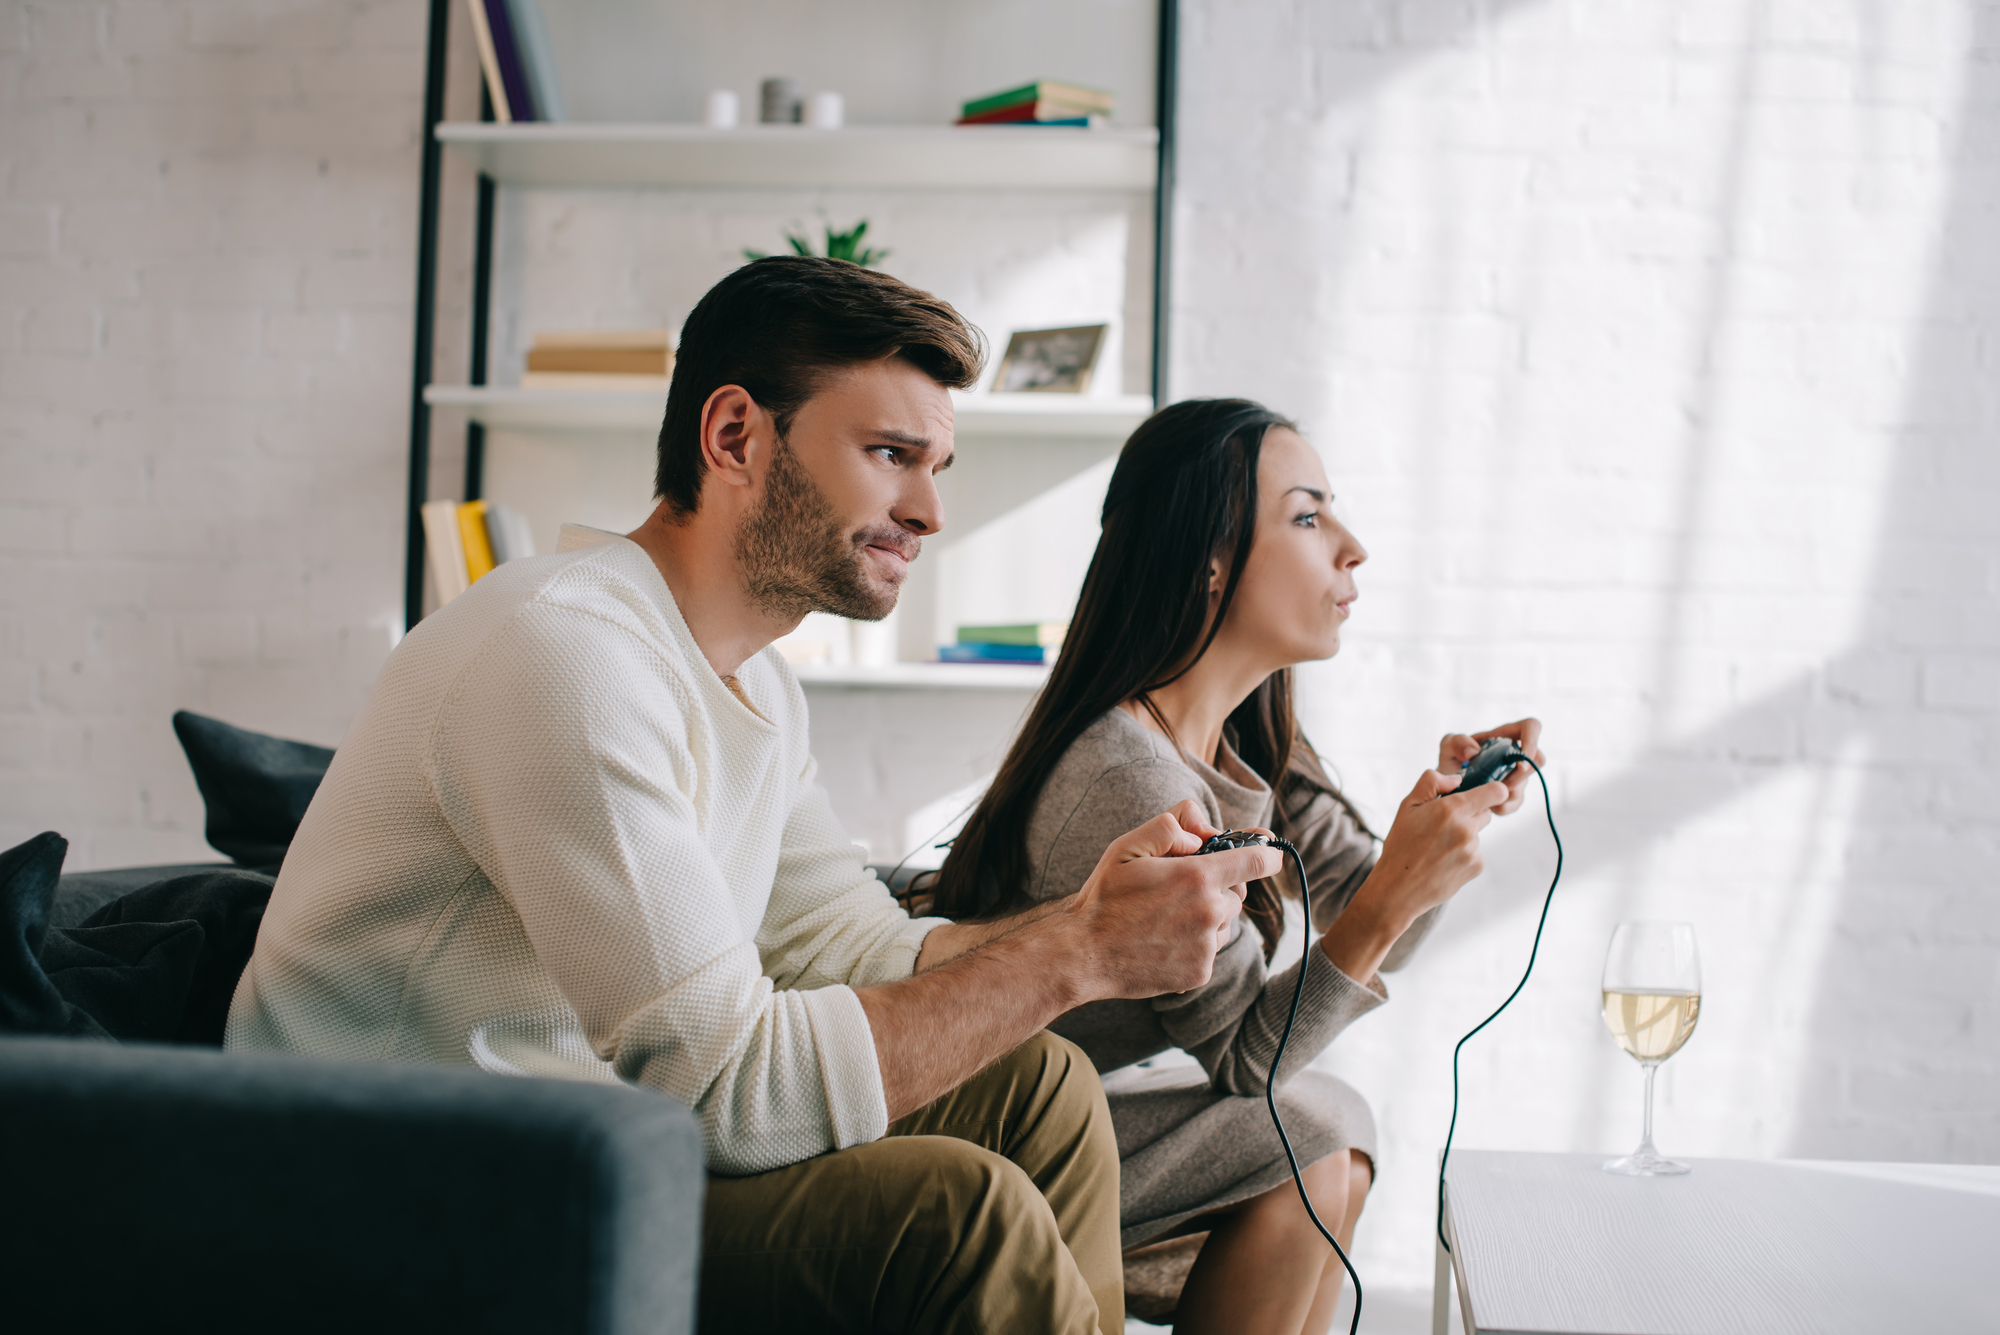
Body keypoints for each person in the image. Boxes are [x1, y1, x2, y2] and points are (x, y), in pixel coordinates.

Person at [225, 258, 1284, 1335]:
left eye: (937, 467)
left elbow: (847, 942)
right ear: (734, 437)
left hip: (588, 1142)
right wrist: (1077, 955)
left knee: (1041, 1087)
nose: (926, 510)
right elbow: (725, 1085)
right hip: (416, 1197)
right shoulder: (566, 655)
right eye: (889, 456)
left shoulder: (757, 684)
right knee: (956, 1219)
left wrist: (1083, 920)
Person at [925, 398, 1545, 1334]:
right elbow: (1247, 1061)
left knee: (1333, 1126)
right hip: (1004, 1135)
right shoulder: (1129, 772)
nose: (1353, 546)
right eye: (1307, 516)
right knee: (1310, 1131)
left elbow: (1384, 926)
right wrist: (1391, 894)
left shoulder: (1247, 736)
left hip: (1095, 1110)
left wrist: (1451, 822)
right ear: (1211, 559)